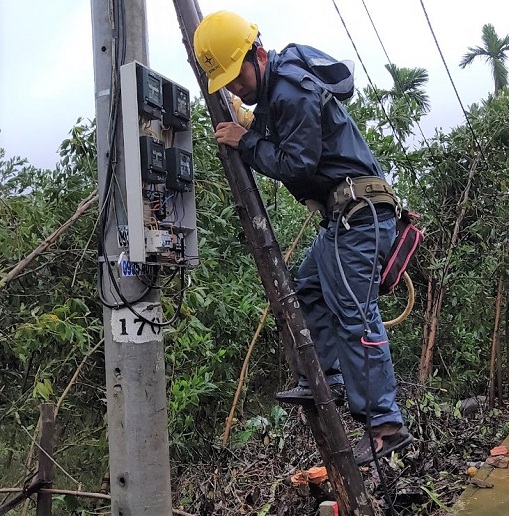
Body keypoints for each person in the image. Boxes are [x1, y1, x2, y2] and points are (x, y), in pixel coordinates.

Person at [193, 10, 412, 466]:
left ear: (257, 53)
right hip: (343, 218)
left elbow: (298, 166)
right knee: (308, 287)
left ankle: (385, 425)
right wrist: (251, 127)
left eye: (238, 76)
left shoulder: (290, 89)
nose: (236, 88)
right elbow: (290, 140)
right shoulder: (280, 91)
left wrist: (244, 141)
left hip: (360, 216)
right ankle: (328, 376)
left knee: (355, 315)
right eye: (228, 84)